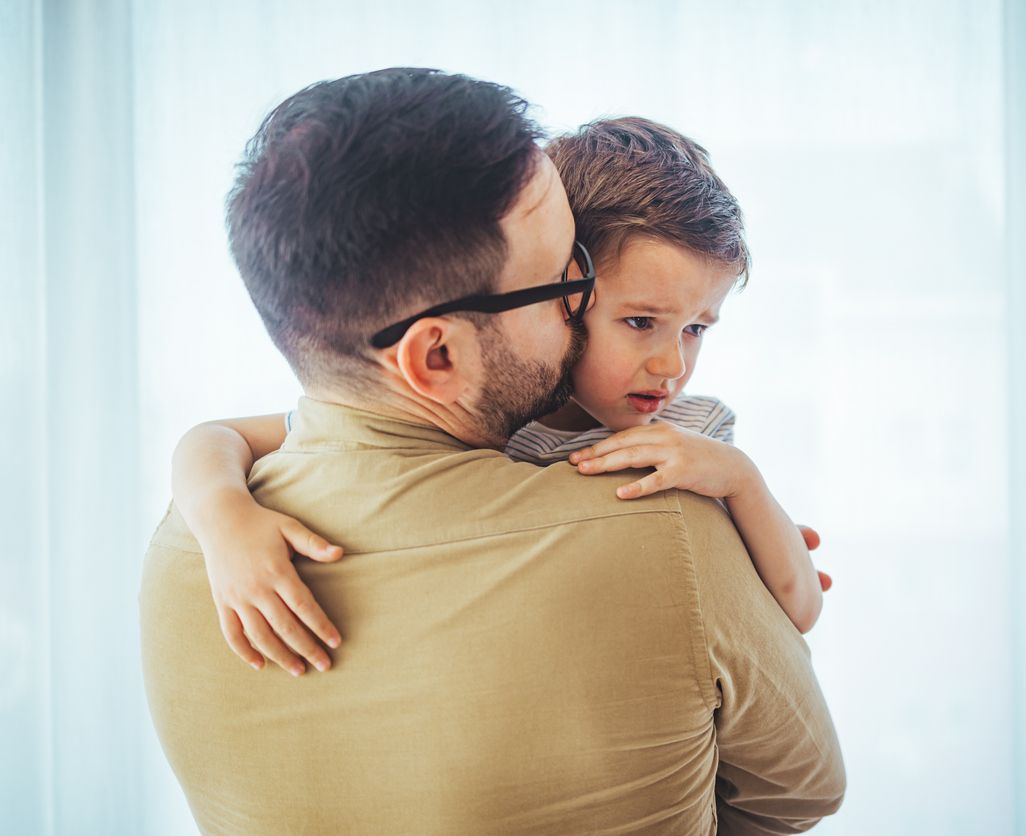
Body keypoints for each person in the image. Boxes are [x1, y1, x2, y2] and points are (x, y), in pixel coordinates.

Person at [141, 68, 844, 834]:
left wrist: (210, 506)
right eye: (559, 283)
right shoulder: (665, 530)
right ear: (434, 357)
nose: (576, 312)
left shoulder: (186, 551)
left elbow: (231, 438)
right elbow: (800, 794)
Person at [173, 117, 830, 682]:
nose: (671, 365)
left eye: (696, 328)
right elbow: (217, 437)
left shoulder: (694, 438)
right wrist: (224, 519)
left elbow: (796, 612)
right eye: (639, 323)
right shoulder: (488, 417)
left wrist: (744, 487)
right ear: (564, 292)